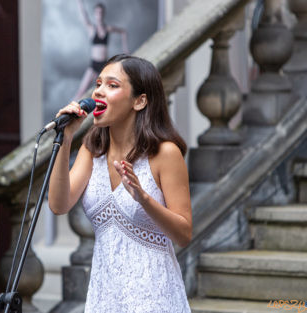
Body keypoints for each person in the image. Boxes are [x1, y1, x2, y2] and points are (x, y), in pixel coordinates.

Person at [49, 54, 192, 312]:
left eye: (112, 85)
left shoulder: (165, 153)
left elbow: (184, 234)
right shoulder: (92, 150)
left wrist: (143, 198)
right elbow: (59, 205)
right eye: (98, 84)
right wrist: (66, 139)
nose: (99, 92)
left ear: (140, 101)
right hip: (104, 296)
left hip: (153, 297)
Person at [73, 0, 129, 100]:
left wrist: (126, 49)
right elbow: (84, 15)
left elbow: (123, 32)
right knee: (81, 91)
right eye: (98, 12)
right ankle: (68, 112)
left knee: (108, 91)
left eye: (101, 12)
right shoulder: (91, 29)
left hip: (104, 65)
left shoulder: (107, 28)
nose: (99, 15)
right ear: (95, 14)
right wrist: (79, 2)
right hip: (94, 64)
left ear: (103, 14)